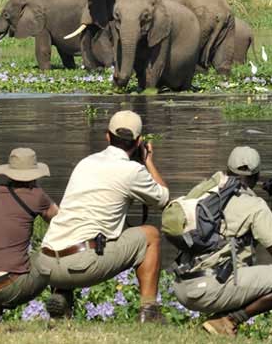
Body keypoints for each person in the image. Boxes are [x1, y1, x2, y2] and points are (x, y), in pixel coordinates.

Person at [171, 146, 272, 336]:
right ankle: (228, 321)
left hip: (181, 286)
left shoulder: (205, 192)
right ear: (256, 176)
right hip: (207, 290)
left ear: (227, 170)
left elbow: (240, 241)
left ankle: (216, 322)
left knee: (247, 272)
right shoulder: (255, 206)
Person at [35, 110, 171, 321]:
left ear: (107, 136)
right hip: (81, 265)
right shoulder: (133, 171)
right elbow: (163, 199)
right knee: (151, 235)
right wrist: (148, 161)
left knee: (77, 229)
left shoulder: (85, 162)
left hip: (47, 264)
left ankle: (62, 296)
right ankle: (149, 311)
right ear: (139, 142)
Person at [0, 148, 60, 317]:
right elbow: (59, 219)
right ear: (35, 174)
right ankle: (62, 302)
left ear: (8, 173)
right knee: (50, 258)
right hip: (8, 286)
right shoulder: (37, 195)